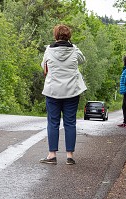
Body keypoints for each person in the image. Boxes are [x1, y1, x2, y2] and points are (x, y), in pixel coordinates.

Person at [40, 24, 87, 165]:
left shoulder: (49, 50)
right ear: (69, 37)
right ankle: (69, 156)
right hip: (72, 91)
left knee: (53, 122)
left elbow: (43, 66)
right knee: (70, 123)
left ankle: (52, 155)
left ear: (55, 36)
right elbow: (83, 60)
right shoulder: (74, 50)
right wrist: (74, 46)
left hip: (53, 91)